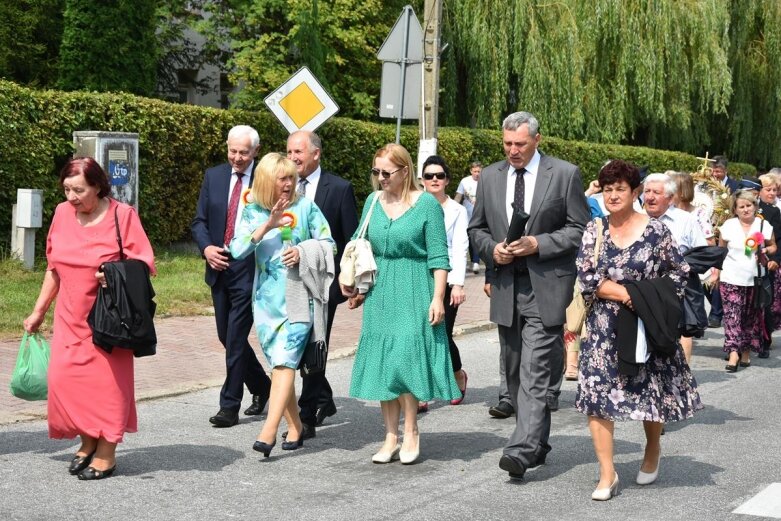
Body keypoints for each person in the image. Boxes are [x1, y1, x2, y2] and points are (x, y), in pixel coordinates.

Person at [468, 111, 590, 480]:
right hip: (506, 286)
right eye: (507, 144)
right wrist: (493, 251)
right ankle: (537, 442)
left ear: (537, 140)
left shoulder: (564, 174)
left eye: (520, 144)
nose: (513, 151)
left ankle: (520, 450)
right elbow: (477, 229)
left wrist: (538, 243)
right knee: (515, 373)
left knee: (536, 369)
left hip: (546, 285)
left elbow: (578, 229)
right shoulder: (490, 176)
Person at [576, 160, 702, 500]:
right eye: (607, 189)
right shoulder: (595, 229)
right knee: (598, 400)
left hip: (645, 326)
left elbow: (679, 273)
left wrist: (640, 299)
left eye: (621, 189)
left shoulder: (656, 231)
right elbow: (587, 276)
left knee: (650, 393)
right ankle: (607, 474)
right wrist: (628, 294)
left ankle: (652, 450)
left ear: (635, 193)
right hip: (603, 330)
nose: (613, 195)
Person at [23, 157, 155, 480]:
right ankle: (88, 440)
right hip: (69, 317)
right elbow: (53, 268)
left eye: (79, 190)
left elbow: (144, 263)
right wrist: (39, 310)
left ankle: (106, 453)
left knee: (108, 387)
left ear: (97, 185)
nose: (72, 197)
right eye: (67, 189)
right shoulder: (61, 214)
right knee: (65, 382)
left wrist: (114, 275)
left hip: (110, 318)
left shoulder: (122, 216)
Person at [343, 143, 459, 465]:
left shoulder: (426, 206)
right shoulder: (372, 202)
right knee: (384, 363)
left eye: (387, 172)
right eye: (376, 172)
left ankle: (411, 430)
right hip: (380, 291)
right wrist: (358, 288)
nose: (380, 178)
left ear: (405, 171)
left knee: (405, 358)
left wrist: (438, 297)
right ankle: (390, 435)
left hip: (415, 288)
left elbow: (439, 256)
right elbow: (361, 245)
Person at [229, 152, 334, 457]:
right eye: (282, 179)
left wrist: (303, 252)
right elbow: (236, 250)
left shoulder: (305, 206)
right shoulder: (251, 210)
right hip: (265, 301)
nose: (289, 184)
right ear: (265, 182)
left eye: (291, 178)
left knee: (285, 361)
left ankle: (269, 430)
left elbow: (329, 243)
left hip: (300, 298)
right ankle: (297, 426)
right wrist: (268, 226)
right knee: (278, 365)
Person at [192, 125, 272, 427]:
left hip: (249, 267)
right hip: (218, 264)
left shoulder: (265, 181)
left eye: (243, 152)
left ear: (256, 151)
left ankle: (229, 405)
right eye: (232, 151)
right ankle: (263, 387)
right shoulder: (214, 176)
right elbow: (199, 221)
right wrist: (207, 249)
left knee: (236, 337)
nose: (237, 158)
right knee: (226, 335)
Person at [286, 130, 359, 438]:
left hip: (323, 284)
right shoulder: (282, 186)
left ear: (316, 154)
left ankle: (306, 417)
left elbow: (350, 239)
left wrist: (349, 281)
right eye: (288, 152)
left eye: (298, 152)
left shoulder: (339, 189)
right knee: (295, 346)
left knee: (315, 345)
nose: (292, 158)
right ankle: (324, 399)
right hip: (288, 282)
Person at [419, 155, 470, 411]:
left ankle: (457, 373)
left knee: (442, 334)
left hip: (447, 279)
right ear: (422, 180)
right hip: (419, 278)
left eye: (439, 175)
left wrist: (458, 283)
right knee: (418, 334)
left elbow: (460, 247)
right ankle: (420, 390)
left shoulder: (457, 211)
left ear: (447, 180)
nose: (435, 180)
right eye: (429, 176)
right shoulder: (414, 205)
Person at [643, 173, 708, 363]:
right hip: (643, 289)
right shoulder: (635, 218)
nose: (650, 197)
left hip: (675, 290)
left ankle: (682, 373)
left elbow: (701, 251)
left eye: (656, 192)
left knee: (677, 334)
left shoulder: (685, 220)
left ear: (670, 198)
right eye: (647, 191)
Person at [714, 190, 776, 371]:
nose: (746, 209)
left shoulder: (763, 225)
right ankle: (733, 353)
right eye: (741, 207)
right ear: (735, 209)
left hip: (755, 279)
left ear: (755, 207)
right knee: (732, 317)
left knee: (750, 317)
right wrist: (716, 274)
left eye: (749, 205)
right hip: (731, 278)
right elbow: (721, 252)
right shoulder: (728, 226)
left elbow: (773, 245)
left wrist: (765, 251)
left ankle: (746, 351)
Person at [703, 156, 736, 328]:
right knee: (705, 276)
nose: (715, 174)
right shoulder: (704, 185)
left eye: (718, 171)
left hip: (723, 232)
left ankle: (715, 313)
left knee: (718, 272)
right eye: (713, 171)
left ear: (725, 171)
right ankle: (719, 307)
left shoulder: (733, 186)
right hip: (706, 231)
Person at [455, 161, 482, 273]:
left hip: (479, 215)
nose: (477, 174)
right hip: (466, 216)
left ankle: (475, 262)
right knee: (465, 239)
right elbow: (458, 196)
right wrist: (454, 209)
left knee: (475, 238)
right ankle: (467, 262)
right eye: (475, 171)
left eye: (479, 171)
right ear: (471, 171)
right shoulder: (464, 181)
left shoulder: (485, 181)